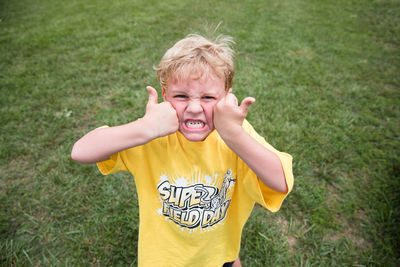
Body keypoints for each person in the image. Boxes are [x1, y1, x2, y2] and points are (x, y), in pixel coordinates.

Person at [71, 34, 294, 267]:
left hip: (219, 253)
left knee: (227, 259)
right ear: (165, 95)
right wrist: (144, 128)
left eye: (208, 97)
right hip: (164, 260)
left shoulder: (236, 136)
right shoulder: (151, 136)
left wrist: (234, 135)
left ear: (227, 97)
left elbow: (281, 183)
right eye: (181, 96)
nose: (194, 107)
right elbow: (80, 151)